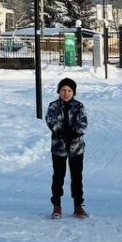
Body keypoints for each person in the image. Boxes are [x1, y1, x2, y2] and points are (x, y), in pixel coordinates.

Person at [45, 77, 89, 219]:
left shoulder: (79, 106)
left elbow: (83, 122)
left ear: (73, 92)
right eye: (63, 90)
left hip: (76, 147)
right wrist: (61, 131)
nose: (66, 93)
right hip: (59, 147)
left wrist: (75, 132)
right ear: (59, 91)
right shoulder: (53, 106)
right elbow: (50, 120)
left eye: (69, 90)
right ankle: (56, 206)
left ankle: (78, 205)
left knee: (77, 177)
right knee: (58, 176)